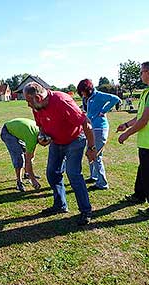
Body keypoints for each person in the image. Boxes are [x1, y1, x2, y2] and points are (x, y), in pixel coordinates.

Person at [23, 82, 97, 225]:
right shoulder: (37, 107)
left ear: (38, 98)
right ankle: (60, 205)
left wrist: (92, 148)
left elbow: (86, 123)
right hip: (56, 143)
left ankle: (85, 210)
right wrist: (43, 137)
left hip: (75, 140)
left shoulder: (62, 101)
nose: (28, 105)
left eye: (28, 101)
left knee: (73, 174)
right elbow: (41, 127)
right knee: (52, 173)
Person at [116, 61, 149, 218]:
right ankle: (139, 195)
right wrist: (126, 124)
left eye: (141, 72)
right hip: (147, 140)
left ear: (148, 73)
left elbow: (144, 120)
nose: (140, 75)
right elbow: (139, 116)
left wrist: (127, 134)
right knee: (143, 169)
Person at [77, 79, 120, 190]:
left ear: (89, 89)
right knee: (89, 153)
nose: (82, 94)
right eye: (81, 92)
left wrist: (104, 110)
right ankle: (94, 176)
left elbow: (115, 99)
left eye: (83, 91)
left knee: (96, 155)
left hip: (100, 128)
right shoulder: (85, 98)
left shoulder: (99, 95)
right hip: (90, 128)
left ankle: (103, 183)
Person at [0, 118, 42, 192]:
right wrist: (33, 180)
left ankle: (27, 174)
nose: (44, 146)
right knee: (19, 158)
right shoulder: (31, 138)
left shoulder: (39, 131)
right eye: (44, 144)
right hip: (7, 132)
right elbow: (28, 160)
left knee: (28, 154)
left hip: (17, 129)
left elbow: (31, 154)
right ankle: (19, 182)